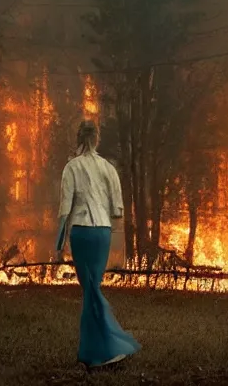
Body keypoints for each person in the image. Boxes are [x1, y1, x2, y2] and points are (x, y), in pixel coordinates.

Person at [56, 120, 141, 369]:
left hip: (82, 232)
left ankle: (106, 348)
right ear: (97, 138)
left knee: (90, 289)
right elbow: (117, 209)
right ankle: (95, 350)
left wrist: (59, 242)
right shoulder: (108, 168)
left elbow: (64, 208)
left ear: (78, 138)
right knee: (93, 287)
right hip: (102, 232)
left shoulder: (71, 168)